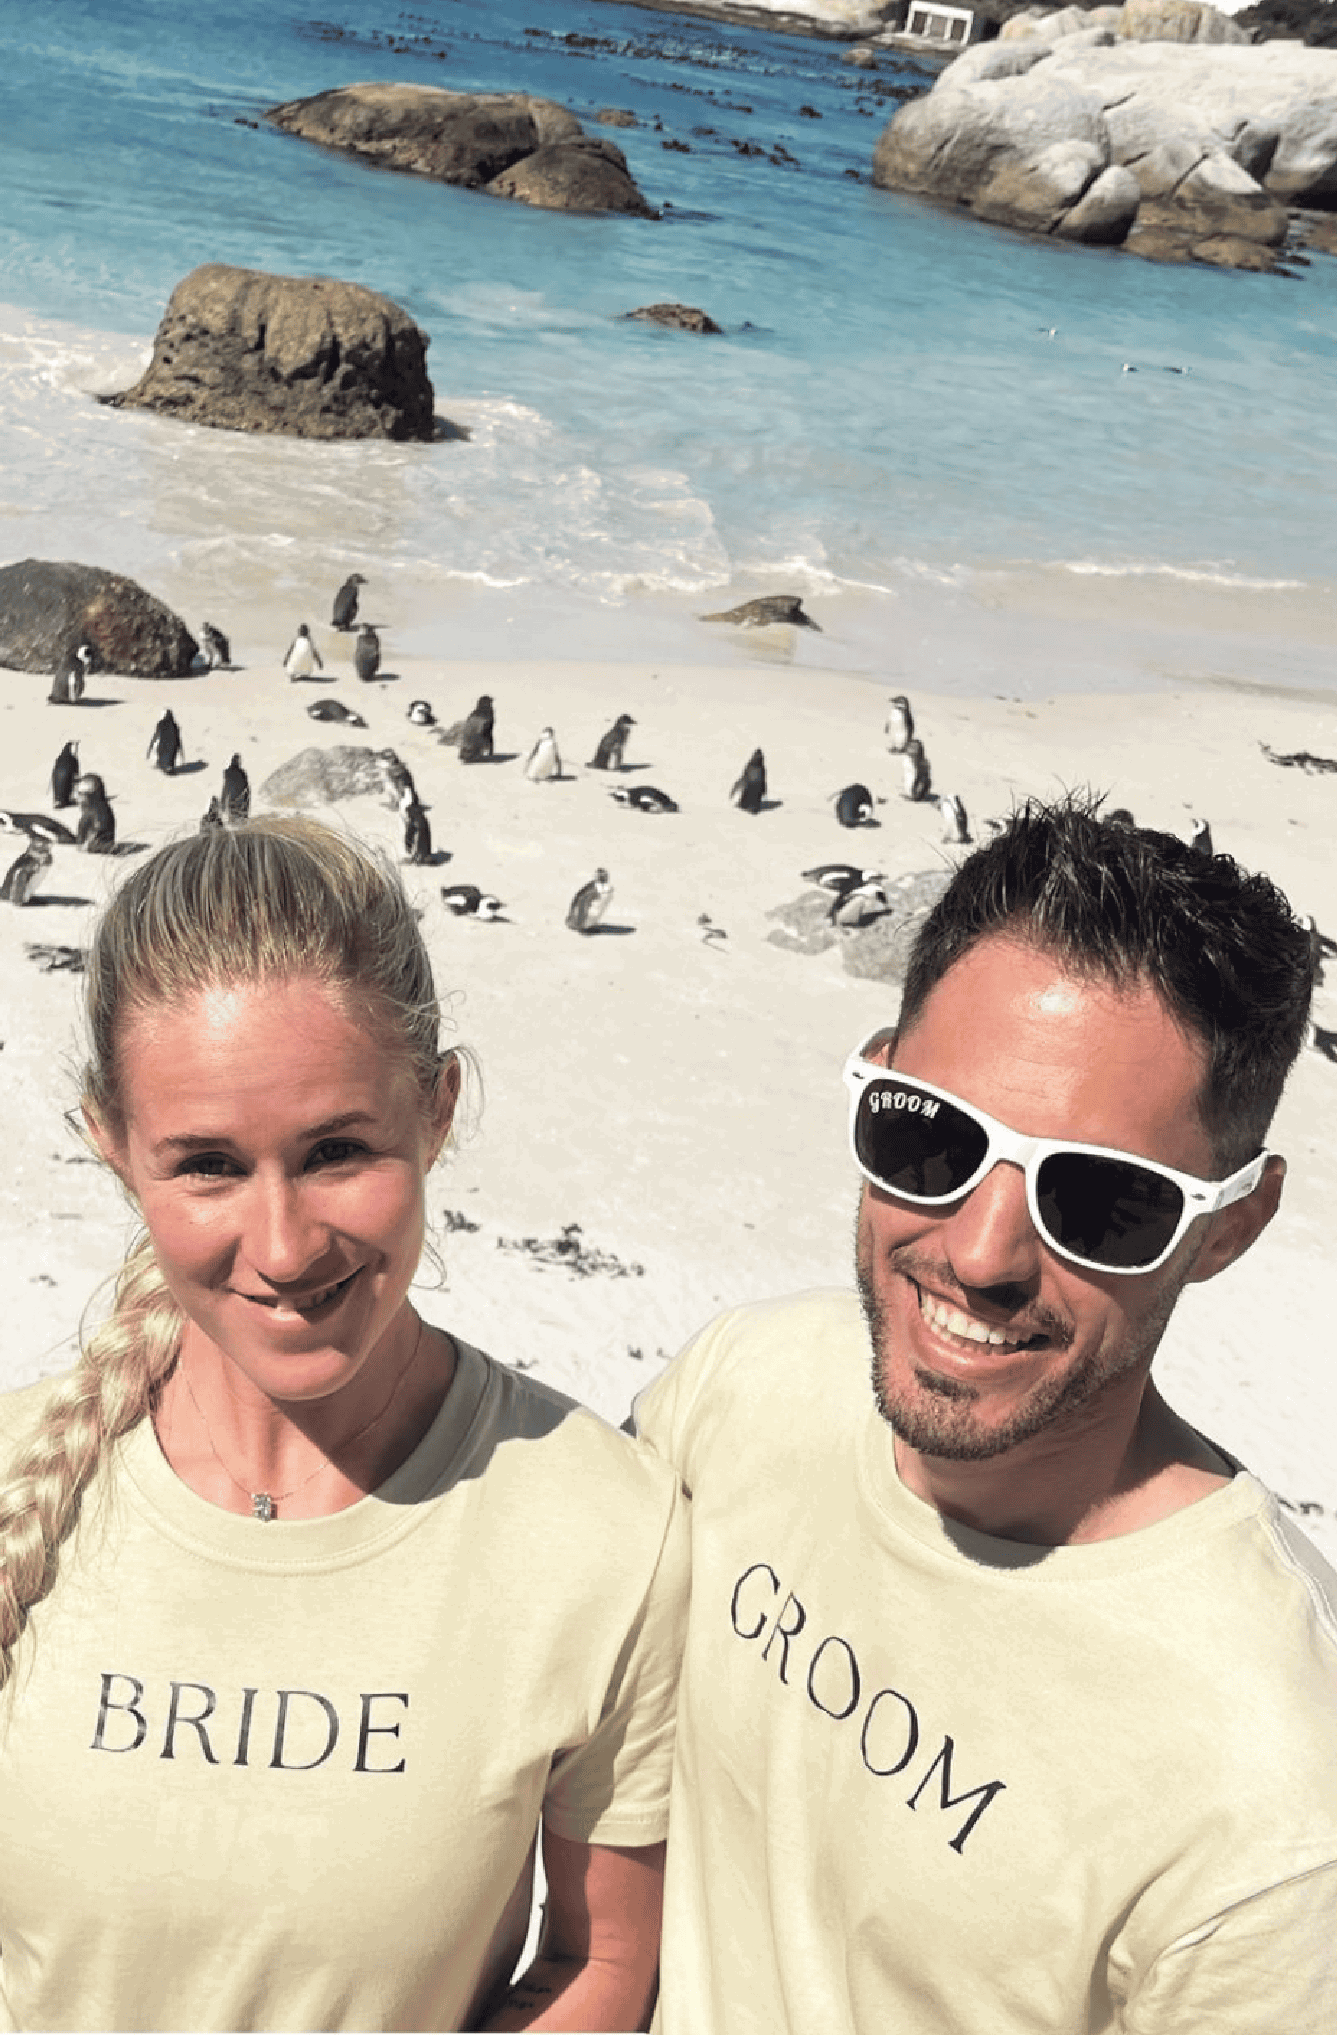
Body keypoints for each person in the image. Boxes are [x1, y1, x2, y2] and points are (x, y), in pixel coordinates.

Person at [636, 794, 1337, 2035]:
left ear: (1227, 1228)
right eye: (929, 1139)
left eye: (1102, 1201)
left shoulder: (1275, 1798)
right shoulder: (745, 1387)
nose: (979, 1251)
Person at [0, 816, 688, 2033]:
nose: (282, 1249)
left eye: (336, 1152)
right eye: (206, 1164)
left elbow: (599, 1963)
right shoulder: (20, 1474)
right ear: (112, 1147)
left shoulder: (605, 1533)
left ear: (436, 1110)